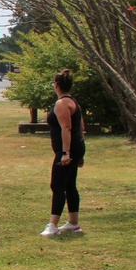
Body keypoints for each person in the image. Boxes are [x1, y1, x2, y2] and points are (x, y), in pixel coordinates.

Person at [41, 69, 86, 237]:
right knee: (69, 184)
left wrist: (66, 153)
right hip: (76, 147)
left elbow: (66, 128)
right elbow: (81, 128)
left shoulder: (61, 104)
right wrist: (80, 153)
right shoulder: (74, 102)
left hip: (67, 149)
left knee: (57, 185)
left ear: (57, 85)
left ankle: (53, 225)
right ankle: (73, 223)